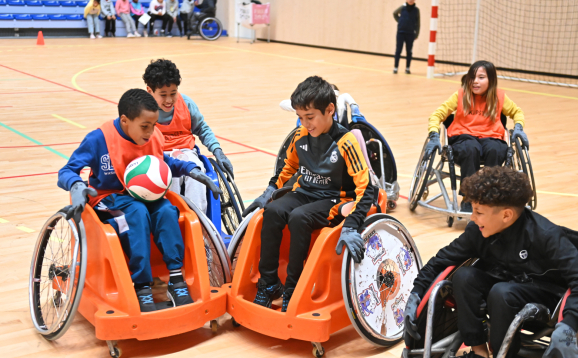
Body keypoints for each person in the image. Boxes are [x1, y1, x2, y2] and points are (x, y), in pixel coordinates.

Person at [403, 166, 578, 358]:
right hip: (509, 285)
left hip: (548, 296)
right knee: (465, 276)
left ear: (506, 215)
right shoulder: (478, 232)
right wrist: (416, 292)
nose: (472, 218)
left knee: (502, 292)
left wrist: (569, 326)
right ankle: (479, 357)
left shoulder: (546, 235)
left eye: (478, 212)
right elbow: (440, 261)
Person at [57, 89, 222, 312]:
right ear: (125, 120)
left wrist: (192, 170)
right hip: (109, 198)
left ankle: (176, 278)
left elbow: (164, 162)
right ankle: (142, 284)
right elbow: (67, 170)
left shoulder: (152, 136)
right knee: (136, 212)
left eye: (154, 125)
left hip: (145, 195)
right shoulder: (99, 139)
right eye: (145, 126)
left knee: (166, 209)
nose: (151, 131)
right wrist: (77, 186)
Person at [242, 76, 377, 313]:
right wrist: (270, 191)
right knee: (272, 211)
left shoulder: (346, 141)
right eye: (300, 118)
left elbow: (367, 188)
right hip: (305, 192)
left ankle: (293, 290)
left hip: (334, 199)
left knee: (299, 217)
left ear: (329, 110)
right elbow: (288, 169)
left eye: (310, 117)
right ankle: (269, 284)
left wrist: (351, 225)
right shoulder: (300, 136)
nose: (305, 124)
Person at [425, 60, 528, 212]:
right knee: (470, 149)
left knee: (497, 150)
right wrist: (434, 135)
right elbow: (436, 115)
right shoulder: (461, 95)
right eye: (472, 77)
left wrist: (519, 127)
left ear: (491, 80)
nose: (475, 81)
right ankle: (469, 198)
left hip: (491, 137)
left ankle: (489, 199)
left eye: (481, 77)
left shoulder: (499, 97)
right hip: (463, 136)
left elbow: (517, 112)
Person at [143, 59, 234, 214]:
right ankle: (174, 220)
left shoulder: (186, 103)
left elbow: (202, 129)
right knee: (170, 176)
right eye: (163, 95)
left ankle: (199, 221)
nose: (169, 100)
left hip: (186, 151)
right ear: (150, 91)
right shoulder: (141, 110)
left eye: (173, 93)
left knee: (196, 174)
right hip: (157, 154)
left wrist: (218, 151)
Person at [392, 0, 419, 74]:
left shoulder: (416, 10)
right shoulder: (402, 7)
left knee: (409, 51)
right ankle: (396, 67)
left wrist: (416, 34)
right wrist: (399, 20)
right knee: (398, 50)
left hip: (410, 34)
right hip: (401, 33)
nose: (410, 0)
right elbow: (394, 13)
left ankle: (407, 68)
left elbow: (418, 22)